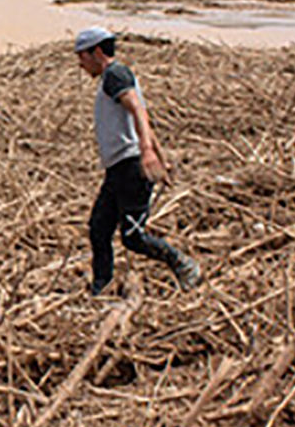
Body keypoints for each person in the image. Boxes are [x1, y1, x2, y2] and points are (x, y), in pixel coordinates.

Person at [73, 26, 201, 295]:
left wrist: (147, 151)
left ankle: (185, 265)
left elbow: (138, 109)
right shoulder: (112, 78)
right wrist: (160, 158)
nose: (80, 64)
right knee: (99, 228)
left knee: (133, 238)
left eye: (82, 56)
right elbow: (141, 118)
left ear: (97, 52)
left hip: (130, 168)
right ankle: (102, 286)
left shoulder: (114, 75)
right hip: (119, 169)